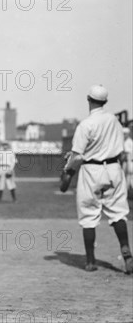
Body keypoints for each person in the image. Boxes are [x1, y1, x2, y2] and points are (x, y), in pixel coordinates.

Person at [63, 85, 132, 273]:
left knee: (89, 217)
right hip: (113, 168)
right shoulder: (115, 121)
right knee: (118, 213)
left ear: (88, 99)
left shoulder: (86, 124)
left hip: (91, 170)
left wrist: (67, 172)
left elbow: (77, 156)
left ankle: (91, 261)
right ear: (105, 102)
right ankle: (126, 253)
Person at [122, 127, 133, 198]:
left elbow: (127, 154)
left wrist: (128, 164)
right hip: (128, 162)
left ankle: (126, 194)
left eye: (124, 134)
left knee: (127, 179)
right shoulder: (128, 141)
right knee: (130, 179)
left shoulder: (128, 142)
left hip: (128, 162)